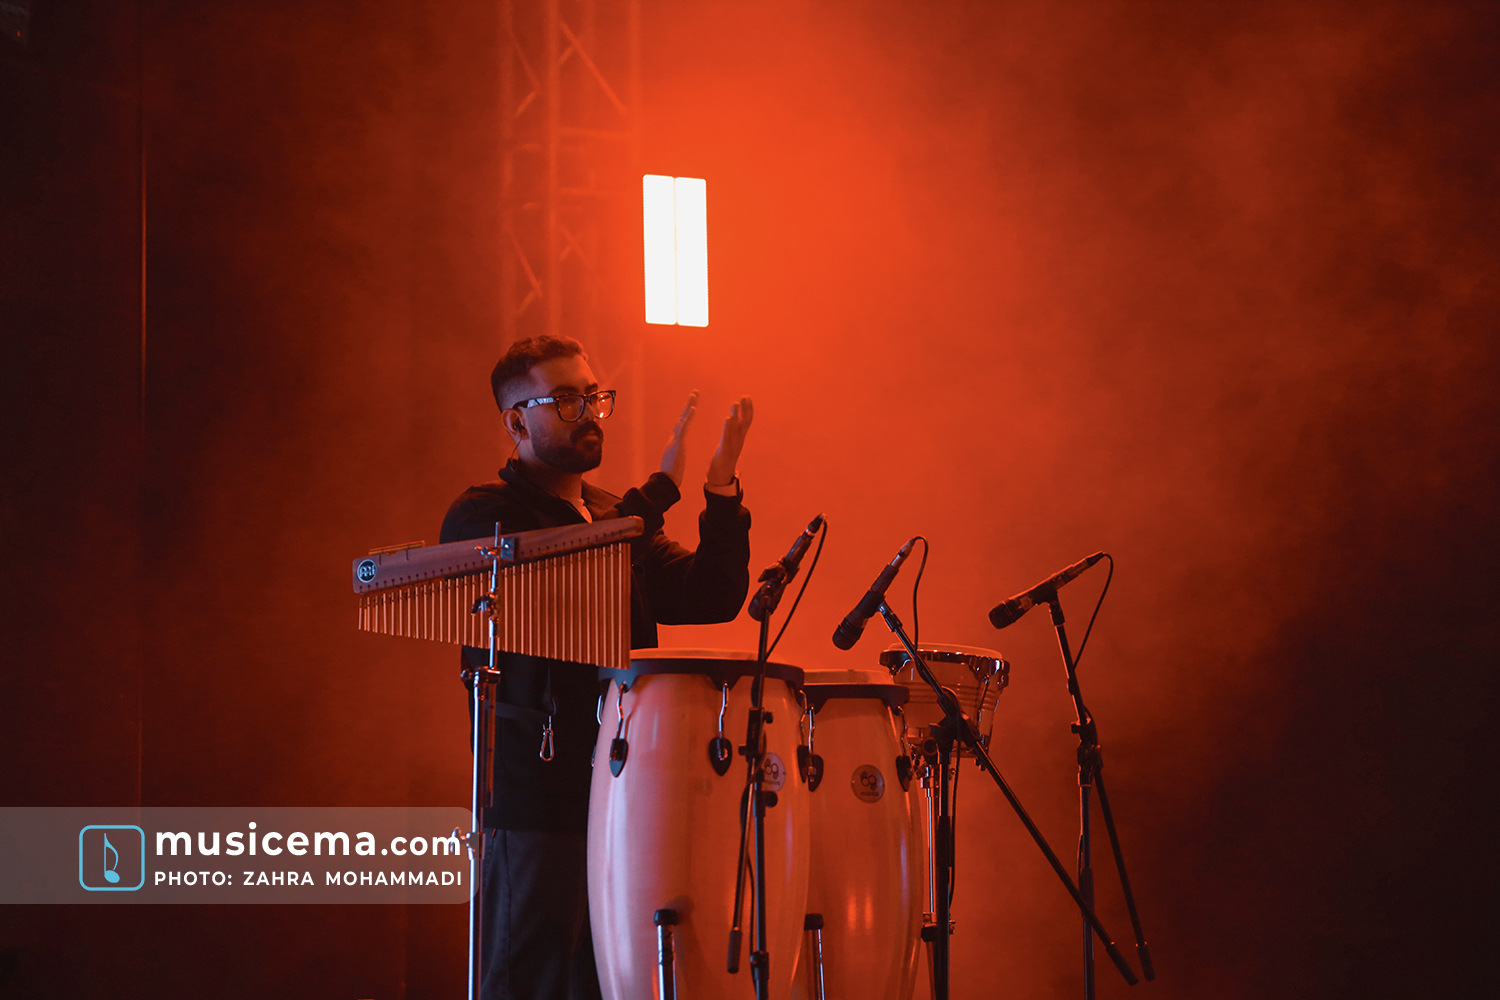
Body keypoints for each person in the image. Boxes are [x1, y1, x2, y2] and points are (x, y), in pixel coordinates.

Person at [439, 335, 754, 1000]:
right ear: (516, 423)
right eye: (566, 399)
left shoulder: (614, 513)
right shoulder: (484, 514)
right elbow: (564, 575)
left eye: (592, 395)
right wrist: (657, 494)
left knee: (610, 979)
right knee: (531, 978)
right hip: (536, 798)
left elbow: (711, 596)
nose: (588, 412)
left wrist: (720, 491)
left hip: (626, 788)